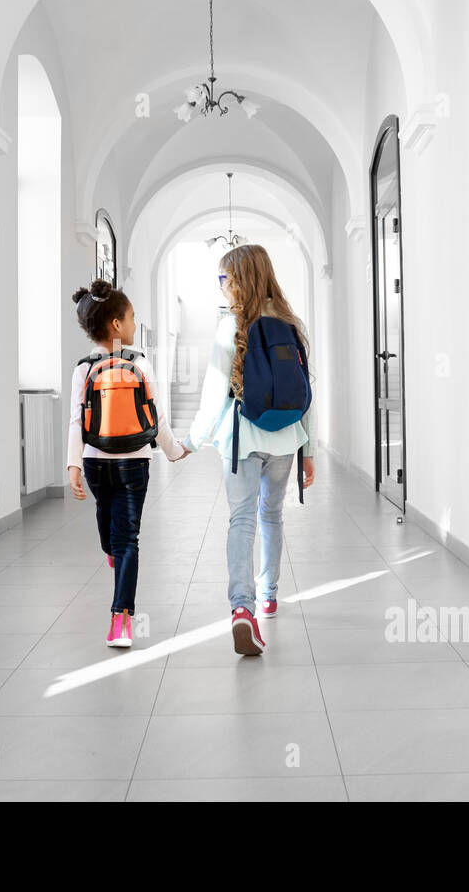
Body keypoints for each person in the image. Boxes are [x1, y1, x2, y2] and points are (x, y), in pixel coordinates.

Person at [181, 244, 315, 655]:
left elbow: (213, 397)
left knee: (241, 521)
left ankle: (243, 609)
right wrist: (307, 449)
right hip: (286, 440)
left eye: (226, 278)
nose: (222, 287)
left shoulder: (231, 326)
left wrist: (189, 442)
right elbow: (306, 391)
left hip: (241, 439)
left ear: (240, 280)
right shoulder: (292, 323)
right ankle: (269, 594)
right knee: (271, 516)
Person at [66, 279, 187, 648]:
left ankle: (121, 616)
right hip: (131, 460)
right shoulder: (140, 364)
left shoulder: (84, 369)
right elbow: (157, 417)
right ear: (116, 324)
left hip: (98, 462)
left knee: (120, 532)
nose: (135, 325)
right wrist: (173, 450)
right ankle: (115, 553)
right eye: (132, 318)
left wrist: (75, 463)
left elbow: (77, 419)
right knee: (120, 533)